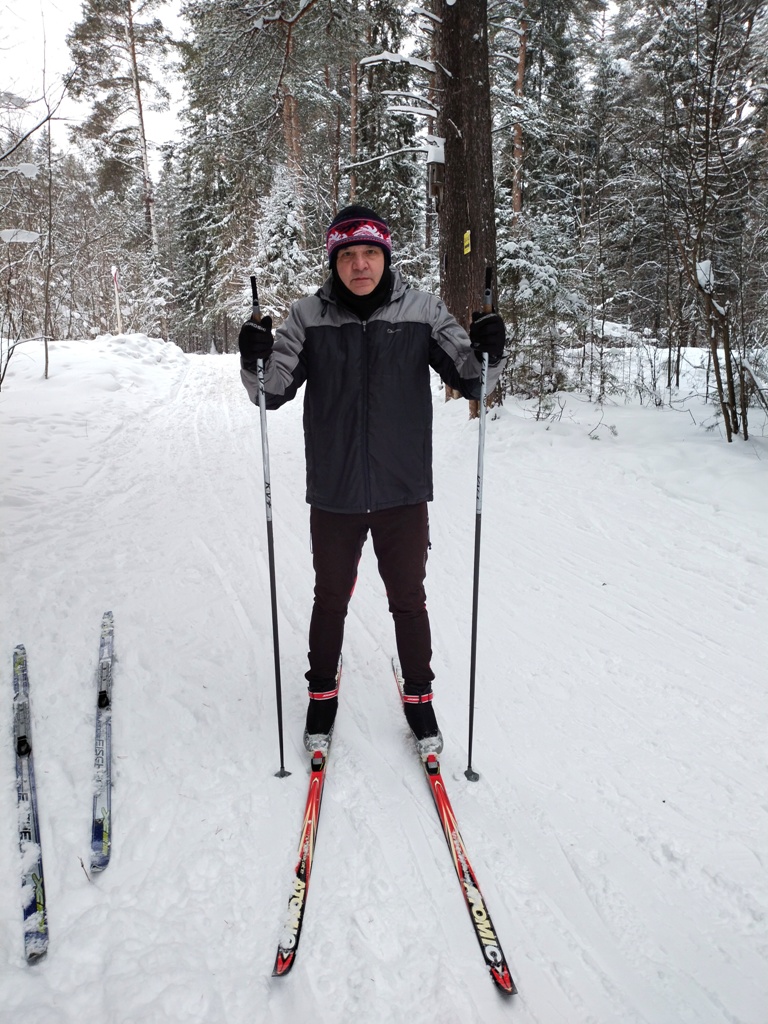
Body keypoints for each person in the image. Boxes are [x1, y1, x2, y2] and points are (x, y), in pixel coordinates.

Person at [238, 204, 506, 755]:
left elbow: (475, 379)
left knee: (408, 598)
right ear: (334, 261)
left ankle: (420, 698)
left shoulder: (423, 312)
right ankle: (321, 692)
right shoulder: (308, 317)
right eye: (348, 255)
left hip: (401, 491)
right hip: (335, 491)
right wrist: (253, 358)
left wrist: (491, 346)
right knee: (330, 596)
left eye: (370, 253)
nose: (360, 265)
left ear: (386, 256)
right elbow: (270, 391)